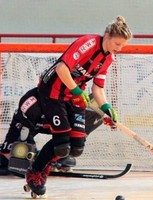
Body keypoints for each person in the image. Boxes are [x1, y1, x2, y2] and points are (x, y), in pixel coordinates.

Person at [24, 16, 132, 196]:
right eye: (117, 44)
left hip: (73, 95)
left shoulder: (108, 59)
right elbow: (61, 68)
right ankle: (35, 172)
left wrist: (106, 107)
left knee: (76, 148)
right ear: (107, 36)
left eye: (122, 45)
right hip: (52, 91)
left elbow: (97, 87)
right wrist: (75, 89)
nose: (119, 49)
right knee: (62, 144)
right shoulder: (87, 43)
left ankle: (44, 162)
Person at [0, 87, 104, 176]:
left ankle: (56, 157)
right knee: (12, 157)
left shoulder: (74, 104)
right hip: (32, 122)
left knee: (67, 149)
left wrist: (56, 154)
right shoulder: (32, 105)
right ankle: (43, 157)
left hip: (59, 122)